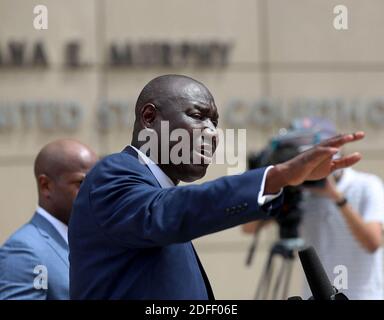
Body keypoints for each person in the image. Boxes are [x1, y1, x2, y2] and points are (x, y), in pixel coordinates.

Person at [68, 74, 364, 300]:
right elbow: (173, 210)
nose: (212, 134)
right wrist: (277, 176)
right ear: (149, 118)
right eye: (198, 117)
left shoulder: (159, 194)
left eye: (215, 123)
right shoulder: (113, 174)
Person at [243, 118, 384, 300]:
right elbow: (248, 228)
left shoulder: (366, 185)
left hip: (363, 295)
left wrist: (336, 197)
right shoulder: (298, 190)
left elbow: (372, 242)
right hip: (316, 295)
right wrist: (278, 186)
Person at [0, 139, 98, 300]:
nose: (93, 192)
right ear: (46, 185)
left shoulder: (94, 242)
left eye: (98, 183)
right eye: (81, 183)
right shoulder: (23, 252)